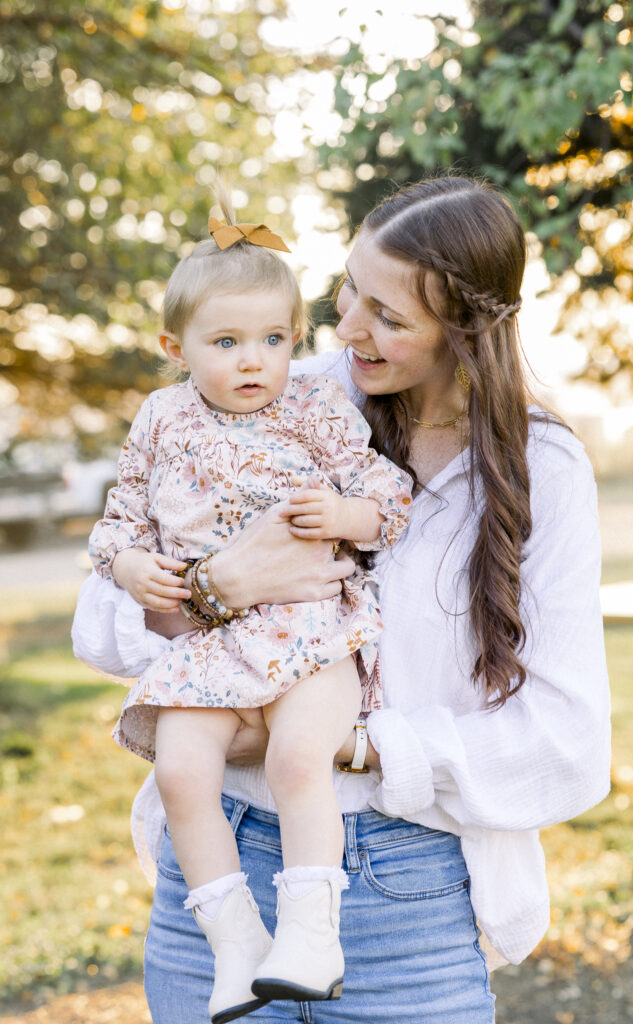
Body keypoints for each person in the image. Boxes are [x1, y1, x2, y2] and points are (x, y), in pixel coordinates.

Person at [73, 173, 611, 1024]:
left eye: (389, 317)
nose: (346, 328)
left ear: (467, 331)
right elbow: (101, 620)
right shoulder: (267, 389)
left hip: (407, 893)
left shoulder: (539, 470)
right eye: (346, 292)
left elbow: (565, 742)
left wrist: (341, 742)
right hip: (223, 850)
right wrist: (219, 589)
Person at [85, 200, 413, 1022]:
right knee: (181, 769)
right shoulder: (161, 418)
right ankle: (234, 943)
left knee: (300, 760)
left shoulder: (313, 410)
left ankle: (311, 934)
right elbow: (118, 521)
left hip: (312, 633)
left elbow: (387, 493)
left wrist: (347, 518)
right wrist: (131, 564)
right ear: (176, 348)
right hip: (213, 641)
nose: (253, 361)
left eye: (273, 339)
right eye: (225, 343)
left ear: (294, 339)